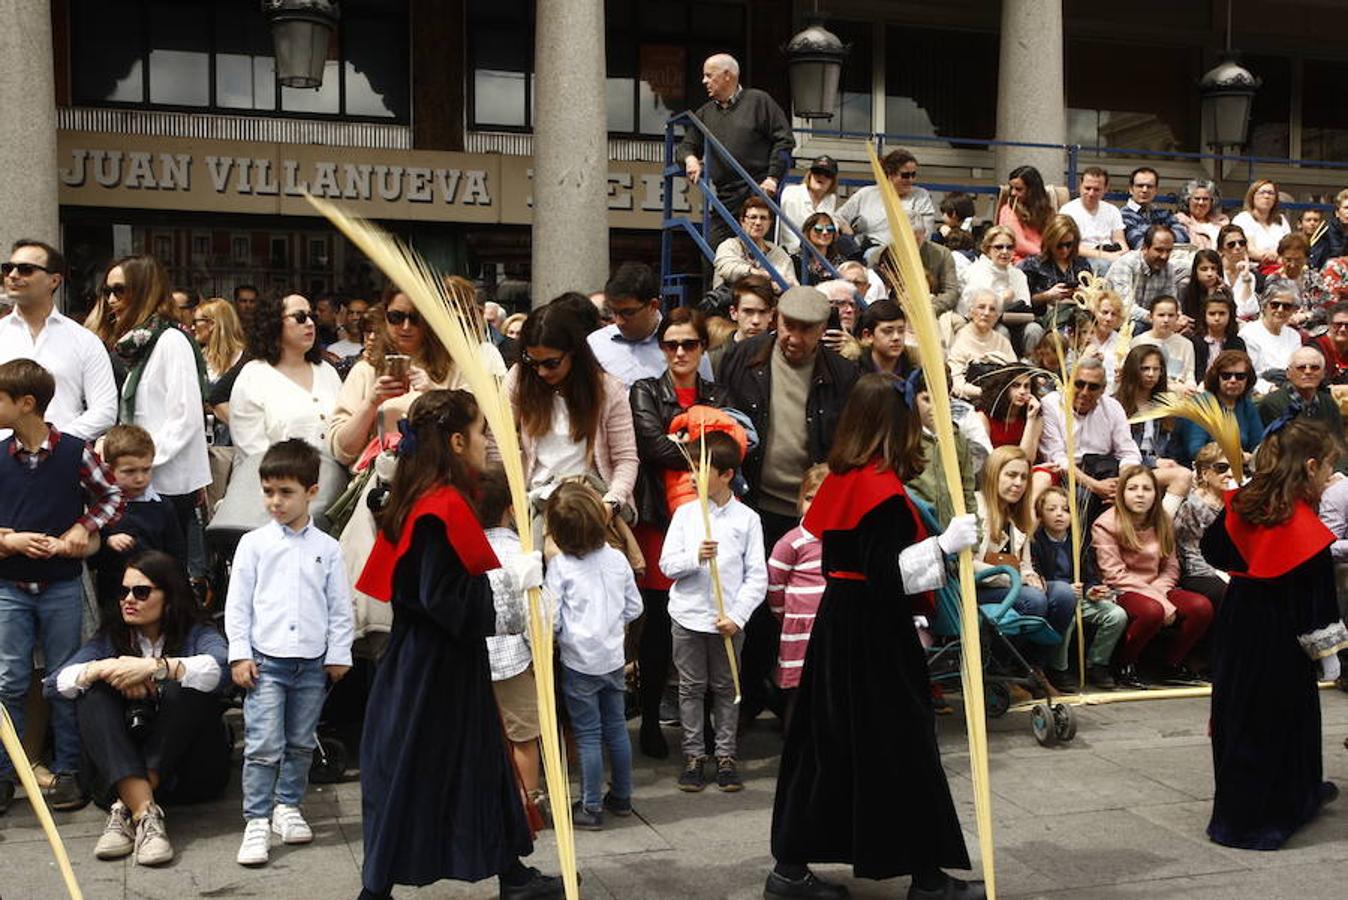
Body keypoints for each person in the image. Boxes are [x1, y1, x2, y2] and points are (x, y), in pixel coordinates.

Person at [766, 373, 983, 900]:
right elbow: (885, 574)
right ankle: (928, 877)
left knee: (825, 745)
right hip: (874, 631)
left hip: (840, 624)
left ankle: (790, 868)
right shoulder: (879, 492)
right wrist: (943, 547)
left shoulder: (844, 480)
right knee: (903, 745)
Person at [356, 390, 561, 899]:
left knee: (481, 766)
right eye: (479, 432)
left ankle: (512, 874)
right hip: (433, 670)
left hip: (436, 664)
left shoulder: (425, 494)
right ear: (454, 440)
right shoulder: (440, 505)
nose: (485, 442)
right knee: (415, 774)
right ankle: (375, 890)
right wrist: (511, 588)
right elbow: (442, 597)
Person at [1201, 419, 1348, 849]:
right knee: (1281, 718)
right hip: (1280, 635)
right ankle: (1260, 817)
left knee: (1238, 713)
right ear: (1309, 466)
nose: (1329, 479)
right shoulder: (1305, 530)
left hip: (1238, 622)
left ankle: (1259, 804)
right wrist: (1329, 653)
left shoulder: (1244, 504)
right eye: (1328, 471)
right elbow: (1315, 601)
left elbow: (1215, 549)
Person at [720, 285, 859, 722]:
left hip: (811, 512)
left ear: (824, 330)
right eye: (789, 326)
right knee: (753, 606)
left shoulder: (841, 374)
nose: (794, 337)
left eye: (807, 330)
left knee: (803, 609)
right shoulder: (744, 357)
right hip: (754, 502)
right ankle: (749, 696)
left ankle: (794, 698)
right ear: (777, 318)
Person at [46, 550, 230, 866]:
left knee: (185, 686)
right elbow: (53, 684)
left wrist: (155, 668)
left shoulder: (196, 633)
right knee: (94, 692)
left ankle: (126, 806)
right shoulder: (111, 638)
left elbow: (221, 668)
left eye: (141, 592)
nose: (128, 599)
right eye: (123, 591)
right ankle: (145, 815)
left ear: (170, 596)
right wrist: (106, 668)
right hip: (115, 771)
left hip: (187, 775)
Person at [0, 358, 125, 815]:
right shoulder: (0, 456)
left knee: (63, 678)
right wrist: (8, 539)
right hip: (10, 585)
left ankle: (71, 770)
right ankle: (5, 774)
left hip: (60, 585)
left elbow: (113, 495)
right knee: (9, 680)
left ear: (26, 404)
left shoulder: (75, 451)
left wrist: (81, 528)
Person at [225, 440, 353, 867]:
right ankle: (256, 819)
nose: (275, 501)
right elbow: (238, 605)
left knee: (301, 741)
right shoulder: (254, 544)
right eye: (268, 491)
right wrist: (240, 654)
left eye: (286, 492)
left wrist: (339, 653)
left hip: (313, 663)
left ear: (311, 492)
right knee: (262, 743)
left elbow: (339, 605)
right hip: (266, 662)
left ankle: (287, 806)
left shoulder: (328, 548)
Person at [629, 307, 730, 758]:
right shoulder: (645, 390)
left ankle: (706, 724)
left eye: (689, 343)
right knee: (657, 630)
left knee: (710, 620)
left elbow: (730, 448)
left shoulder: (717, 390)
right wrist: (704, 440)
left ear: (702, 348)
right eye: (672, 344)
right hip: (661, 523)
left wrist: (683, 442)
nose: (681, 352)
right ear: (661, 348)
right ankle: (651, 717)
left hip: (710, 521)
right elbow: (652, 446)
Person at [661, 431, 766, 793]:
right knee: (690, 688)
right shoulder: (685, 515)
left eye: (700, 469)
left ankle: (725, 755)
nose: (691, 476)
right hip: (688, 616)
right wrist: (695, 558)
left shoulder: (747, 519)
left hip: (727, 620)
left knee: (726, 688)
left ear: (726, 475)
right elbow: (667, 565)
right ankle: (694, 755)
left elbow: (757, 576)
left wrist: (737, 616)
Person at [94, 256, 211, 553]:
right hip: (138, 481)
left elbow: (186, 417)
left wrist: (139, 461)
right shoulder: (137, 345)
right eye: (106, 291)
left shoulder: (171, 341)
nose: (110, 300)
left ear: (144, 291)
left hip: (167, 483)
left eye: (119, 290)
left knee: (161, 577)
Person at [544, 482, 643, 828]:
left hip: (578, 662)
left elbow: (551, 618)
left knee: (587, 734)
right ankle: (622, 796)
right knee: (616, 728)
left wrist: (556, 638)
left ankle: (590, 807)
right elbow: (635, 606)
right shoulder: (617, 559)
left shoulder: (560, 568)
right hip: (612, 658)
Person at [330, 287, 505, 467]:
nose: (406, 327)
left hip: (444, 481)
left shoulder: (459, 367)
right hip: (383, 485)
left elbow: (477, 429)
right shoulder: (365, 370)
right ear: (385, 316)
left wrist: (434, 393)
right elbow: (342, 451)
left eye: (416, 318)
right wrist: (371, 403)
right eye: (396, 317)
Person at [508, 302, 638, 515]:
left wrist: (610, 504)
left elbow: (625, 458)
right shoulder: (519, 378)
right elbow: (497, 444)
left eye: (551, 363)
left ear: (573, 353)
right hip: (535, 502)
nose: (540, 372)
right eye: (531, 361)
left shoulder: (607, 389)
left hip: (591, 502)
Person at [1092, 465, 1213, 688]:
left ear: (1155, 494)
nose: (1140, 494)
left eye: (1147, 488)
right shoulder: (1106, 524)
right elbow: (1114, 573)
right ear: (1122, 493)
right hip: (1123, 588)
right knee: (1152, 610)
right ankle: (1124, 664)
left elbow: (1171, 565)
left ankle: (1170, 665)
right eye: (1133, 488)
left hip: (1159, 585)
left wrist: (1160, 592)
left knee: (1200, 607)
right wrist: (1158, 599)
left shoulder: (1162, 520)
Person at [677, 53, 794, 253]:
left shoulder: (759, 101)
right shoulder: (705, 112)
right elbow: (686, 145)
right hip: (726, 195)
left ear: (727, 75)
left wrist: (772, 178)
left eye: (709, 75)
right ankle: (716, 286)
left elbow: (784, 140)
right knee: (712, 249)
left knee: (757, 253)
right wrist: (690, 160)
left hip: (758, 190)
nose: (704, 81)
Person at [0, 240, 117, 441]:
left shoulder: (84, 340)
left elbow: (104, 410)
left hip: (62, 459)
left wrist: (55, 442)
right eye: (8, 268)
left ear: (54, 281)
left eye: (26, 269)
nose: (12, 275)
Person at [974, 446, 1074, 679]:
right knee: (1034, 600)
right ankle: (998, 667)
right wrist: (1014, 577)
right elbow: (966, 563)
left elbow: (1024, 563)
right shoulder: (976, 508)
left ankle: (1033, 667)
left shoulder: (1017, 516)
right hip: (980, 586)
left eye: (1023, 477)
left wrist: (1030, 575)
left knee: (1063, 594)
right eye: (1011, 475)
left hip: (1010, 584)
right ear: (993, 474)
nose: (1018, 483)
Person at [478, 469, 541, 805]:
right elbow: (536, 611)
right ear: (512, 509)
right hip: (515, 658)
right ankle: (528, 801)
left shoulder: (465, 551)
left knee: (481, 736)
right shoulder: (521, 552)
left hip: (474, 657)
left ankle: (485, 801)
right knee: (524, 735)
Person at [1031, 486, 1127, 692]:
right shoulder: (1035, 542)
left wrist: (1092, 590)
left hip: (1081, 597)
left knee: (1116, 615)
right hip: (1055, 600)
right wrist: (1065, 589)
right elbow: (1036, 578)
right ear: (1040, 514)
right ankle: (1059, 668)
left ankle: (1097, 663)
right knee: (1069, 618)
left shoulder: (1079, 541)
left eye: (1065, 509)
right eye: (1051, 509)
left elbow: (1089, 575)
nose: (1059, 514)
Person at [229, 293, 343, 457]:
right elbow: (251, 447)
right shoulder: (254, 376)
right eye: (300, 317)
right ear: (274, 323)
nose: (310, 323)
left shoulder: (327, 371)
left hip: (334, 478)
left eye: (312, 317)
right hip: (274, 478)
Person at [88, 425, 187, 610]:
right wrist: (107, 542)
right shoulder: (101, 507)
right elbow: (90, 559)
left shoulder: (162, 507)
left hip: (156, 598)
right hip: (115, 599)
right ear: (109, 470)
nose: (140, 479)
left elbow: (177, 554)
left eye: (146, 470)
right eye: (130, 472)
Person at [1037, 356, 1142, 517]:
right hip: (1068, 475)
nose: (1084, 392)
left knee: (1142, 492)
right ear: (1069, 382)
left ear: (1103, 389)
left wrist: (1122, 485)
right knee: (1081, 497)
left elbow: (1128, 453)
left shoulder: (1113, 407)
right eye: (1079, 384)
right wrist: (1095, 486)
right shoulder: (1051, 404)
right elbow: (1057, 458)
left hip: (1106, 470)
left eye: (1092, 387)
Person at [766, 464, 827, 730]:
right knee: (797, 692)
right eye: (810, 498)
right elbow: (775, 584)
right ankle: (795, 746)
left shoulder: (844, 540)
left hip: (829, 627)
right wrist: (786, 615)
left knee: (826, 690)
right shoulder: (792, 541)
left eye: (823, 499)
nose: (815, 505)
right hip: (798, 628)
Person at [590, 262, 712, 387]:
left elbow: (706, 398)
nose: (619, 321)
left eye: (628, 313)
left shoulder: (688, 346)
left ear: (653, 305)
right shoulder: (595, 344)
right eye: (613, 312)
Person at [1112, 345, 1193, 514]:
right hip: (1125, 470)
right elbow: (1118, 451)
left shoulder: (1165, 405)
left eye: (1156, 369)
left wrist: (1166, 462)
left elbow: (1168, 448)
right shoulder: (1115, 405)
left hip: (1156, 469)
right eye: (1145, 369)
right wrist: (1154, 462)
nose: (1151, 374)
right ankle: (1161, 527)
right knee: (1183, 476)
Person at [837, 147, 938, 258]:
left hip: (908, 255)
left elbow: (925, 234)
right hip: (872, 253)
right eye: (905, 175)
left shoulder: (921, 196)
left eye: (913, 175)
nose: (911, 180)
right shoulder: (866, 194)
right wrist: (848, 231)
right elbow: (838, 217)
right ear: (890, 175)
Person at [1257, 346, 1347, 465]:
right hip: (1291, 472)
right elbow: (1284, 451)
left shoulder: (1328, 402)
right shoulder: (1272, 403)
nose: (1308, 371)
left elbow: (1339, 445)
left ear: (1323, 374)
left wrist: (1338, 474)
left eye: (1315, 368)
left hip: (1328, 471)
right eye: (1301, 367)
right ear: (1288, 373)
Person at [1173, 350, 1264, 467]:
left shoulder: (1247, 406)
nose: (1233, 380)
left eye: (1240, 376)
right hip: (1204, 472)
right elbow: (1196, 451)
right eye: (1226, 376)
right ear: (1216, 377)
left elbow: (1259, 448)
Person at [1172, 443, 1234, 611]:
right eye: (1222, 468)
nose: (1230, 474)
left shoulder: (1237, 502)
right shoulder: (1192, 506)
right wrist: (1224, 575)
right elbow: (1189, 553)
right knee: (1232, 594)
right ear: (1205, 474)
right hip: (1199, 572)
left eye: (1235, 468)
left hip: (1229, 571)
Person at [713, 196, 798, 291]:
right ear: (742, 221)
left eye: (763, 218)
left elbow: (792, 284)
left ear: (770, 223)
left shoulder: (778, 254)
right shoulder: (729, 245)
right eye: (753, 217)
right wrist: (761, 274)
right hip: (732, 301)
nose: (758, 222)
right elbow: (728, 270)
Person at [1020, 214, 1092, 325]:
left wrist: (1084, 293)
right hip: (1044, 318)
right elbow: (1023, 301)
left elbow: (1093, 297)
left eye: (1069, 244)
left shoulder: (1081, 264)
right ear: (1050, 242)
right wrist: (1047, 295)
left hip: (1078, 318)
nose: (1065, 250)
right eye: (1059, 245)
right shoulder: (1033, 264)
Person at [1105, 225, 1182, 325]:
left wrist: (1178, 318)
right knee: (1137, 326)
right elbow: (1126, 308)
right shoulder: (1125, 264)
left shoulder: (1168, 268)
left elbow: (1170, 302)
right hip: (1117, 322)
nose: (1164, 256)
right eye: (1159, 250)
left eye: (1168, 251)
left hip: (1151, 320)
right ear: (1145, 248)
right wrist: (1158, 319)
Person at [950, 288, 1015, 401]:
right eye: (981, 307)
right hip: (969, 401)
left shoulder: (1002, 342)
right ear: (971, 311)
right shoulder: (961, 339)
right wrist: (985, 392)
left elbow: (1015, 374)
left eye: (992, 309)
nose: (986, 313)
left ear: (997, 316)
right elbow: (956, 383)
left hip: (999, 401)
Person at [1239, 283, 1304, 393]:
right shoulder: (1249, 333)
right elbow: (1248, 375)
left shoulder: (1294, 336)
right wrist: (1271, 389)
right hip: (1260, 391)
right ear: (1264, 306)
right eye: (1275, 305)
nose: (1280, 310)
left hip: (1290, 387)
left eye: (1286, 306)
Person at [1059, 167, 1127, 270]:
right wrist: (1105, 256)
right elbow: (1069, 247)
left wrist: (1123, 253)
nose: (1091, 193)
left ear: (1105, 189)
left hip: (1112, 254)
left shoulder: (1113, 210)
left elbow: (1119, 240)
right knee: (1103, 265)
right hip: (1083, 258)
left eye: (1096, 189)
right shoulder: (1068, 211)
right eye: (1087, 188)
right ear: (1080, 186)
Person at [957, 225, 1031, 318]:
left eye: (1009, 247)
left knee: (1034, 329)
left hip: (1014, 321)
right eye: (999, 247)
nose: (1004, 251)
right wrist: (1002, 300)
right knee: (1002, 330)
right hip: (982, 322)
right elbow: (970, 310)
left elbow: (1026, 306)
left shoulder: (1018, 274)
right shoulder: (975, 272)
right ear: (988, 249)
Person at [709, 273, 776, 376]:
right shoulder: (714, 360)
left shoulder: (779, 357)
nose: (756, 320)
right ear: (733, 313)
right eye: (748, 312)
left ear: (771, 314)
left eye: (762, 312)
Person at [778, 155, 844, 254]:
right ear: (810, 175)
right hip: (793, 253)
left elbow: (828, 227)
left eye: (827, 174)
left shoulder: (831, 199)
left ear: (833, 181)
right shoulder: (791, 193)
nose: (821, 176)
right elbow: (787, 232)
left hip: (820, 253)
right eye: (817, 172)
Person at [1133, 296, 1198, 390]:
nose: (1166, 320)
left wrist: (1190, 387)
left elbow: (1189, 374)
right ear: (1151, 317)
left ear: (1177, 317)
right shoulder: (1139, 342)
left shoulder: (1186, 344)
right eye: (1161, 315)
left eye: (1171, 315)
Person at [1122, 166, 1189, 248]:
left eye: (1149, 186)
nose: (1145, 190)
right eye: (1140, 186)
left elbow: (1183, 236)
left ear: (1156, 190)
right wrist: (1168, 239)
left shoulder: (1164, 213)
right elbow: (1139, 244)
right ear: (1131, 189)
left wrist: (1155, 241)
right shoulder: (1123, 215)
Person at [997, 164, 1053, 262]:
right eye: (1011, 188)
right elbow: (1019, 244)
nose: (1013, 193)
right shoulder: (1008, 210)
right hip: (1020, 263)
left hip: (1044, 259)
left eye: (1018, 189)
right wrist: (1048, 256)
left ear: (1032, 191)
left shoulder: (1047, 211)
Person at [1231, 179, 1291, 268]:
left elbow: (1289, 246)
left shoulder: (1281, 219)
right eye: (1262, 192)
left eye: (1271, 193)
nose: (1266, 196)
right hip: (1252, 269)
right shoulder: (1243, 218)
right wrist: (1270, 257)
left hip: (1280, 269)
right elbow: (1249, 249)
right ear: (1252, 196)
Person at [192, 298, 246, 384]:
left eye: (195, 322)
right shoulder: (198, 357)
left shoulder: (243, 359)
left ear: (212, 324)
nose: (192, 327)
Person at [1216, 223, 1263, 318]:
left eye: (1242, 243)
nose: (1238, 247)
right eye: (1231, 244)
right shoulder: (1214, 273)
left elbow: (1249, 311)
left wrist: (1246, 279)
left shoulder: (1250, 276)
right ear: (1221, 250)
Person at [790, 211, 848, 286]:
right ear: (807, 232)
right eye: (819, 228)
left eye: (829, 229)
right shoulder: (795, 260)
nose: (825, 232)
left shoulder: (841, 262)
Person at [857, 300, 912, 376]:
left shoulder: (917, 375)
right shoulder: (853, 374)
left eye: (901, 331)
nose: (896, 337)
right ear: (868, 335)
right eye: (888, 331)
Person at [1175, 178, 1228, 251]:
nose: (1201, 203)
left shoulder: (1223, 222)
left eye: (1205, 199)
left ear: (1212, 201)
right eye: (1197, 198)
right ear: (1188, 200)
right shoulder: (1180, 222)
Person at [1311, 301, 1348, 383]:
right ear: (1329, 325)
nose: (1342, 329)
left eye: (1347, 325)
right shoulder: (1315, 348)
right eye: (1338, 324)